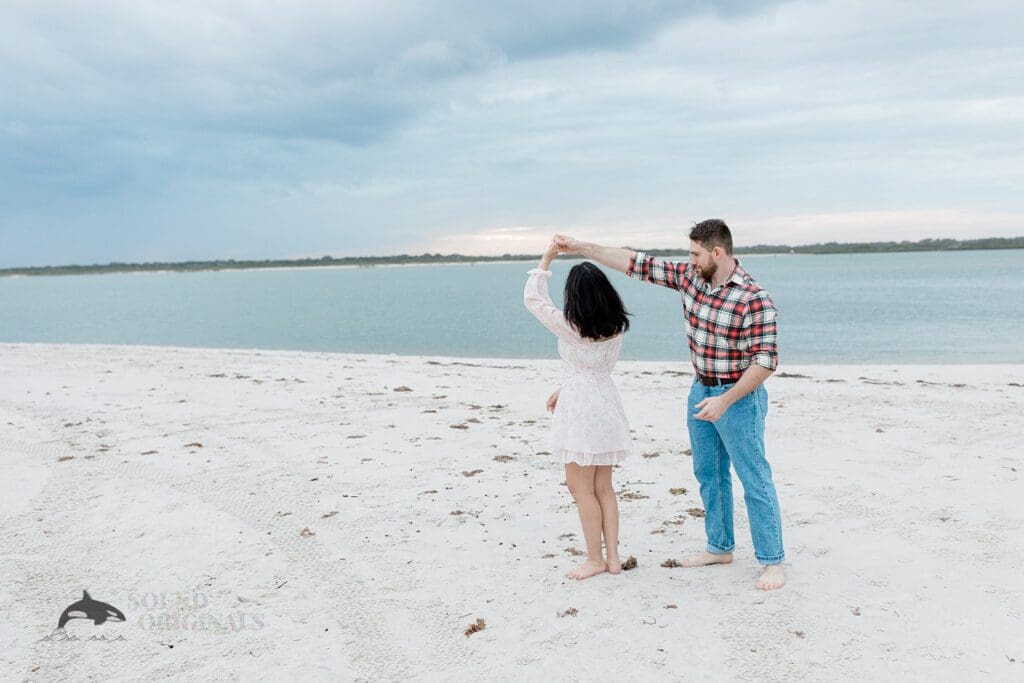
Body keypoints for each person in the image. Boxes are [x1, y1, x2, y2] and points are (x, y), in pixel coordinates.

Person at [554, 219, 786, 590]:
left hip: (739, 397)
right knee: (709, 474)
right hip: (700, 391)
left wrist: (725, 400)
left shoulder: (753, 297)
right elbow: (634, 263)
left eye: (695, 254)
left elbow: (766, 361)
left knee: (754, 476)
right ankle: (720, 547)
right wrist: (581, 247)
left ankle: (772, 561)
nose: (689, 260)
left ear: (716, 252)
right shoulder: (690, 278)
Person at [524, 239, 633, 580]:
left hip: (582, 410)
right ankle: (613, 558)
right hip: (605, 402)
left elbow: (534, 300)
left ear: (574, 298)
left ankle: (594, 559)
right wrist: (564, 387)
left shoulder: (571, 327)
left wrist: (546, 259)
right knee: (604, 487)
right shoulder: (616, 326)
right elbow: (593, 368)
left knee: (580, 487)